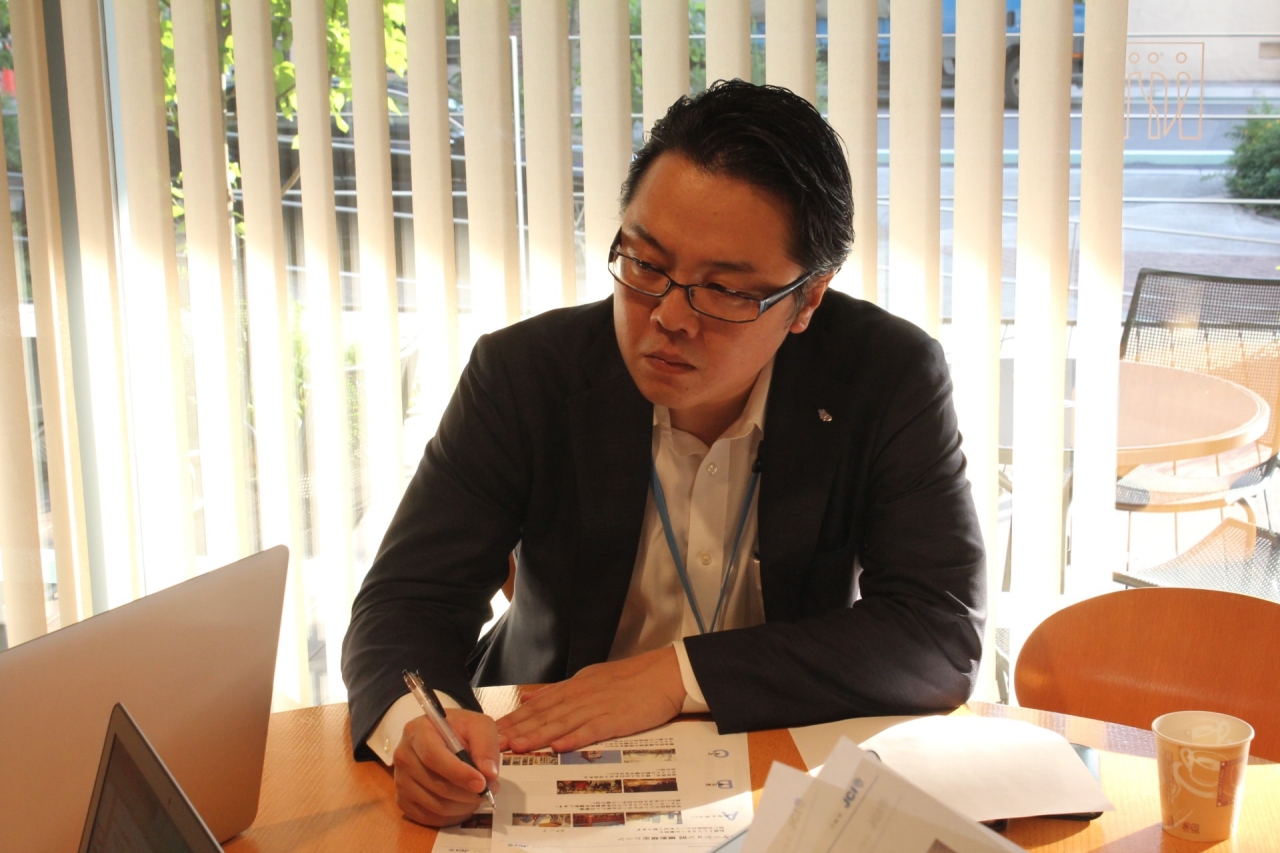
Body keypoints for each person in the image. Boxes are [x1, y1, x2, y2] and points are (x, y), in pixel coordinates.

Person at [341, 80, 985, 828]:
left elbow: (937, 629)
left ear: (808, 299)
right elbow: (408, 599)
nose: (670, 317)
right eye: (646, 264)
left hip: (773, 764)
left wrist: (677, 675)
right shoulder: (527, 374)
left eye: (725, 289)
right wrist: (423, 728)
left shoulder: (885, 377)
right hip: (539, 759)